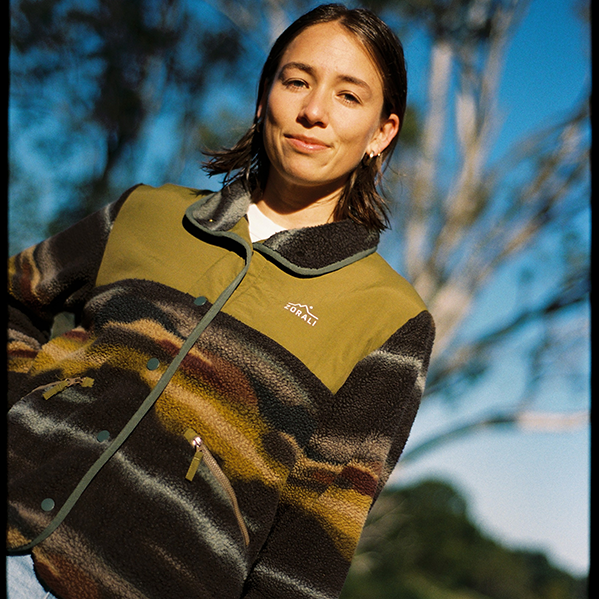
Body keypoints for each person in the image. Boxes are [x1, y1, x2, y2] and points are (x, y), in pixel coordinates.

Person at [6, 4, 435, 598]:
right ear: (263, 99)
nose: (314, 111)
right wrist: (23, 409)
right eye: (297, 81)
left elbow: (314, 539)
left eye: (348, 96)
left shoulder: (390, 316)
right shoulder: (147, 212)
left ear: (381, 133)